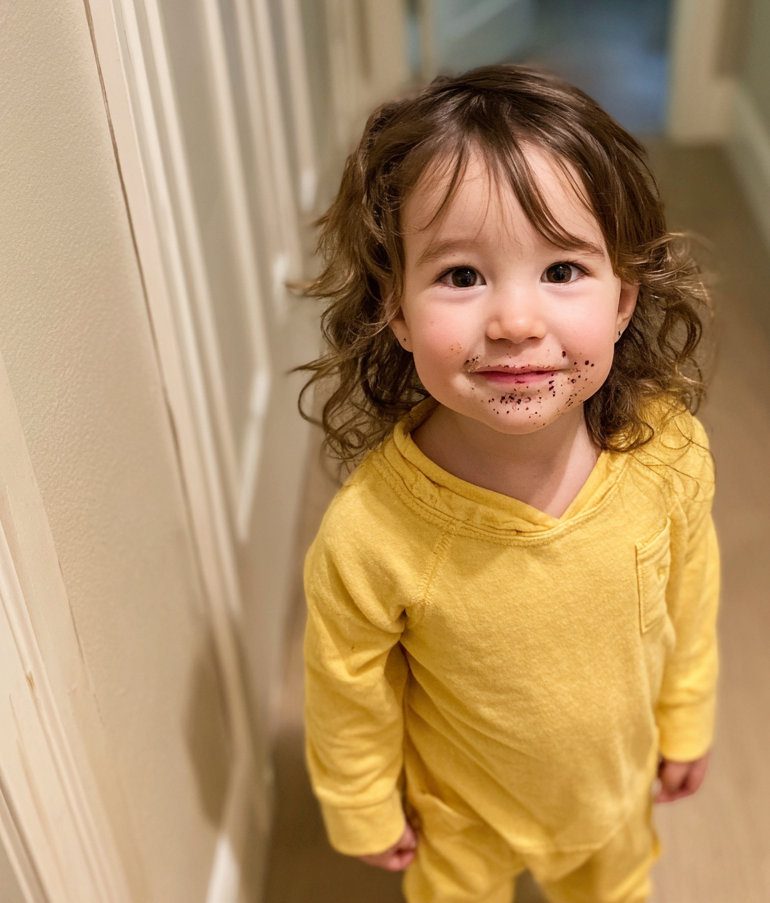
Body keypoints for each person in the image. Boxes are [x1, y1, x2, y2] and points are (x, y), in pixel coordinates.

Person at [297, 65, 719, 903]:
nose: (517, 321)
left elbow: (691, 593)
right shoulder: (370, 534)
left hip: (612, 792)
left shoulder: (668, 455)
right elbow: (346, 685)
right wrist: (361, 804)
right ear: (398, 309)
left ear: (624, 298)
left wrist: (688, 715)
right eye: (461, 276)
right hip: (460, 815)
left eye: (562, 271)